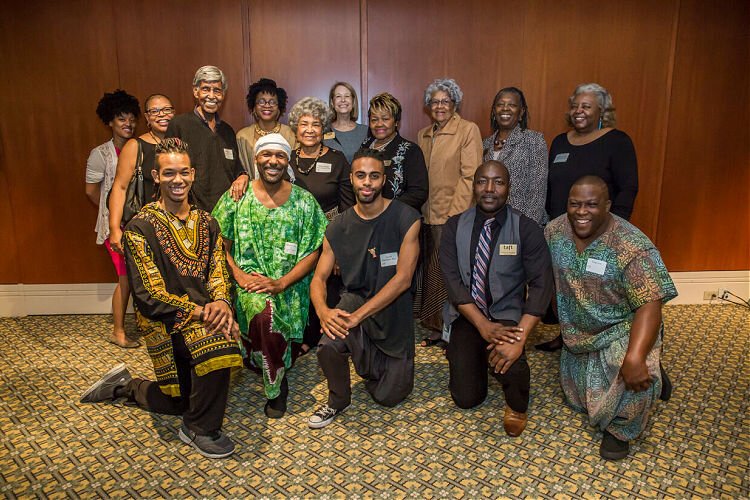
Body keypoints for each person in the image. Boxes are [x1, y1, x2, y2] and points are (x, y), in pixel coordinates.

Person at [80, 138, 243, 460]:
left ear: (193, 174)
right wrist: (202, 312)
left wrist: (222, 303)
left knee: (180, 399)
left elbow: (218, 271)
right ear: (156, 176)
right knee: (218, 345)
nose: (177, 180)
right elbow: (148, 295)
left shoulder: (208, 222)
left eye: (183, 172)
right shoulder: (140, 227)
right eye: (169, 173)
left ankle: (127, 386)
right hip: (165, 320)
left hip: (204, 314)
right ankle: (198, 428)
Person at [545, 175, 677, 460]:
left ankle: (621, 430)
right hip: (578, 335)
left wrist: (635, 356)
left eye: (591, 204)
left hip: (622, 329)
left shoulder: (632, 245)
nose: (581, 212)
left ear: (608, 205)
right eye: (574, 204)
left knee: (635, 378)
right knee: (579, 399)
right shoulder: (554, 232)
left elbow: (650, 304)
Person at [212, 133, 327, 418]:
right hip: (249, 285)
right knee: (266, 318)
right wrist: (238, 276)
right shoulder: (236, 198)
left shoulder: (304, 202)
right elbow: (218, 245)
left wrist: (282, 282)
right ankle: (276, 385)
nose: (273, 161)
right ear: (256, 159)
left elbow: (315, 250)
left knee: (273, 322)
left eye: (280, 156)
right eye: (266, 155)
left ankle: (270, 357)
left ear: (288, 161)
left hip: (292, 286)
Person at [308, 148, 421, 429]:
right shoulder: (338, 226)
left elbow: (403, 279)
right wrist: (323, 311)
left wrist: (358, 319)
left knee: (388, 396)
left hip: (393, 312)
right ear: (352, 179)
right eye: (361, 176)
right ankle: (337, 399)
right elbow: (319, 278)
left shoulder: (406, 218)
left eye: (373, 176)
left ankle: (373, 360)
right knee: (329, 343)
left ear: (383, 180)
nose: (367, 183)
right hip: (355, 300)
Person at [440, 161, 553, 437]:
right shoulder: (454, 226)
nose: (489, 189)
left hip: (507, 315)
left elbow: (541, 285)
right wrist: (481, 326)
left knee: (510, 362)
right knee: (466, 398)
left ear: (508, 188)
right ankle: (475, 355)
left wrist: (520, 337)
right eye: (482, 181)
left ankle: (516, 405)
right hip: (468, 315)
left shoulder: (526, 229)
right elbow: (453, 283)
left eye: (498, 182)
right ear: (474, 186)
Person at [539, 82, 639, 352]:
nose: (578, 111)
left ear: (602, 111)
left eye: (586, 106)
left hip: (599, 231)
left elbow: (628, 187)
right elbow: (551, 186)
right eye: (574, 106)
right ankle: (568, 335)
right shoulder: (561, 142)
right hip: (562, 232)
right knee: (565, 286)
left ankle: (610, 340)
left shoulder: (617, 141)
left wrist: (614, 229)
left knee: (597, 289)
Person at [417, 78, 483, 344]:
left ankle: (451, 328)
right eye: (435, 102)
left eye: (445, 101)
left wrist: (456, 216)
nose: (440, 106)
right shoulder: (424, 134)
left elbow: (471, 177)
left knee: (449, 274)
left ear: (455, 104)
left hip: (453, 216)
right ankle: (437, 325)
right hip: (426, 216)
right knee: (433, 273)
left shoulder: (468, 130)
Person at [84, 89, 140, 349]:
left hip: (138, 225)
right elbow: (91, 191)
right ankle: (118, 331)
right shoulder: (100, 155)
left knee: (139, 277)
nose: (128, 124)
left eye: (131, 118)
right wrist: (113, 215)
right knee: (125, 277)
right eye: (121, 119)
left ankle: (141, 324)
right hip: (113, 227)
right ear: (109, 121)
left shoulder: (139, 147)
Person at [165, 65, 244, 211]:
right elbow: (167, 170)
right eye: (206, 89)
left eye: (217, 91)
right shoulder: (179, 125)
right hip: (190, 212)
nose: (212, 96)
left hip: (226, 211)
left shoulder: (227, 131)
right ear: (196, 91)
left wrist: (242, 176)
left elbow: (236, 168)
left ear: (223, 94)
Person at [108, 94, 176, 254]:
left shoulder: (181, 143)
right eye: (155, 111)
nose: (162, 115)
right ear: (147, 117)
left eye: (167, 110)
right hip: (145, 229)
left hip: (178, 228)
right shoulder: (135, 146)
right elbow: (120, 187)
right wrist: (114, 228)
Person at [482, 87, 548, 226]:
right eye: (500, 105)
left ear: (521, 111)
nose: (505, 109)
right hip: (490, 225)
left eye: (511, 105)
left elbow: (537, 192)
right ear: (494, 111)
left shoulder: (534, 140)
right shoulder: (485, 144)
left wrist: (526, 229)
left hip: (522, 224)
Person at [361, 92, 428, 211]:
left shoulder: (410, 150)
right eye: (374, 119)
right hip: (367, 218)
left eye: (385, 119)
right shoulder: (364, 147)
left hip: (399, 220)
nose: (379, 124)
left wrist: (385, 208)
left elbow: (418, 193)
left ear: (396, 122)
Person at [235, 78, 296, 179]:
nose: (267, 106)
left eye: (272, 102)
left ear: (279, 108)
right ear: (254, 107)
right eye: (261, 102)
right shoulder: (242, 136)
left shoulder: (290, 134)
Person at [323, 82, 369, 164]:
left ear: (353, 101)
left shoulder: (366, 131)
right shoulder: (324, 131)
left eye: (347, 96)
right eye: (338, 96)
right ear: (332, 102)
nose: (343, 100)